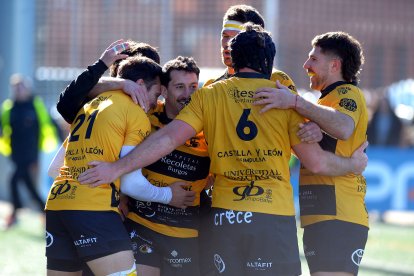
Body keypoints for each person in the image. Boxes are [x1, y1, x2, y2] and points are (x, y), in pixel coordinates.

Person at [78, 25, 368, 276]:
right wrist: (352, 165)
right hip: (272, 217)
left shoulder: (210, 95)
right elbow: (316, 163)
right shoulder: (282, 98)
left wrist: (117, 168)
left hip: (225, 217)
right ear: (268, 61)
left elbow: (166, 139)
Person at [254, 31, 369, 276]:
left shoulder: (348, 94)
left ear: (334, 65)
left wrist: (295, 102)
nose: (306, 65)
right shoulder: (324, 103)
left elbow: (344, 127)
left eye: (313, 59)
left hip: (340, 215)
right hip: (320, 215)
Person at [45, 40, 164, 275]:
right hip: (94, 209)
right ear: (140, 84)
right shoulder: (135, 113)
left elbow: (53, 169)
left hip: (58, 204)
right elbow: (131, 182)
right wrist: (170, 195)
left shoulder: (90, 107)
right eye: (157, 94)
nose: (157, 101)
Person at [123, 56, 210, 276]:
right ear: (163, 90)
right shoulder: (146, 115)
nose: (188, 95)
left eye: (193, 87)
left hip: (185, 230)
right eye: (180, 87)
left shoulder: (208, 125)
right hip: (141, 223)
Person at [0, 74, 59, 228]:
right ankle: (44, 213)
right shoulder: (9, 107)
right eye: (16, 87)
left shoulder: (35, 104)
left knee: (14, 181)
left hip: (32, 154)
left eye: (21, 87)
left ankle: (15, 214)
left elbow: (48, 123)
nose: (19, 90)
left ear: (27, 88)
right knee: (26, 184)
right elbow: (3, 128)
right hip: (16, 153)